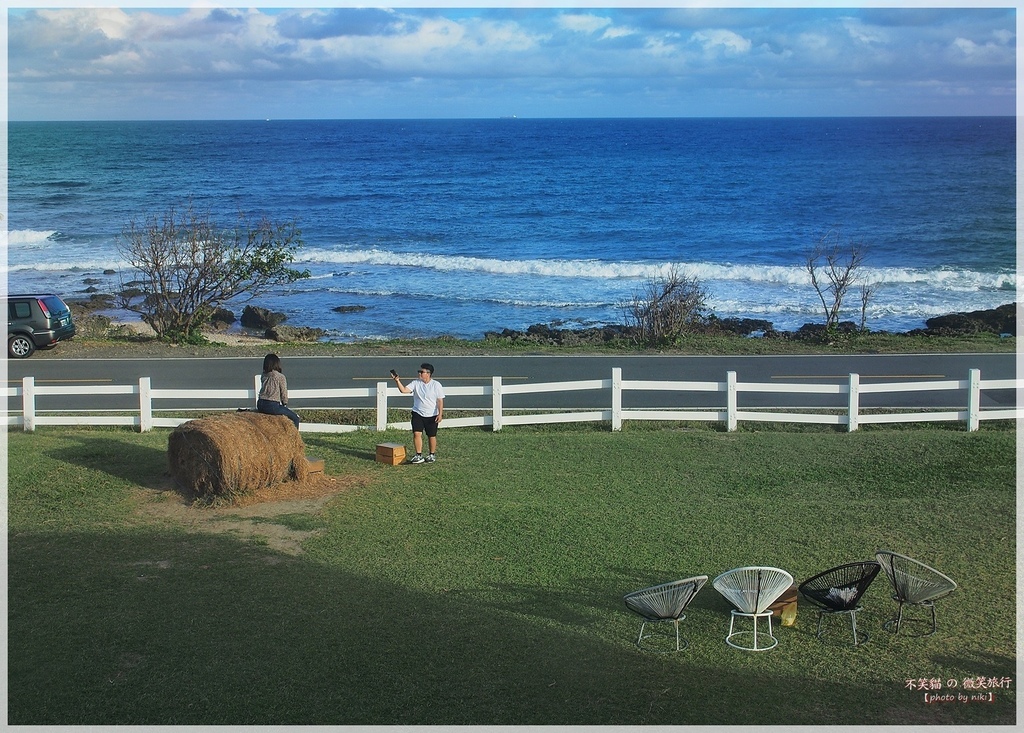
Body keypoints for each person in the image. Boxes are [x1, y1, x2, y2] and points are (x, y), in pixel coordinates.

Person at [392, 362, 444, 463]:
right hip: (417, 413)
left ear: (428, 374)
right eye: (419, 371)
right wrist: (397, 381)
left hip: (432, 415)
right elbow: (403, 390)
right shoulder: (415, 383)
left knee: (431, 435)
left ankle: (431, 454)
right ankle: (418, 455)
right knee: (416, 433)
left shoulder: (436, 385)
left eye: (422, 372)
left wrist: (440, 414)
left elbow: (440, 400)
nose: (419, 373)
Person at [256, 353, 300, 429]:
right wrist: (284, 403)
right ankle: (294, 439)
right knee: (295, 418)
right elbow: (284, 393)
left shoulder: (264, 375)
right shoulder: (280, 377)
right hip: (272, 405)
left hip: (260, 403)